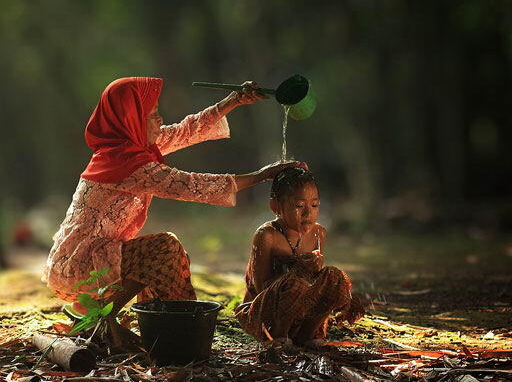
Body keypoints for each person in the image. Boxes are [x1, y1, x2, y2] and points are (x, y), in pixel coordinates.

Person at [42, 77, 304, 348]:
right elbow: (192, 185)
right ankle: (102, 315)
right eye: (153, 114)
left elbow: (185, 131)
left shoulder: (127, 148)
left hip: (83, 259)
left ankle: (153, 325)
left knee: (170, 256)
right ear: (132, 120)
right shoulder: (127, 163)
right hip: (80, 266)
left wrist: (234, 101)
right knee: (164, 248)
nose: (160, 120)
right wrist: (262, 175)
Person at [235, 167, 364, 348]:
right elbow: (261, 287)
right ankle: (278, 338)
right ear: (276, 206)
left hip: (301, 310)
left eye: (314, 205)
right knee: (297, 282)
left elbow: (317, 285)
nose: (308, 213)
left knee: (334, 276)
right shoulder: (267, 236)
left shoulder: (319, 233)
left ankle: (307, 335)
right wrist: (298, 270)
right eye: (299, 206)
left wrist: (314, 269)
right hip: (264, 313)